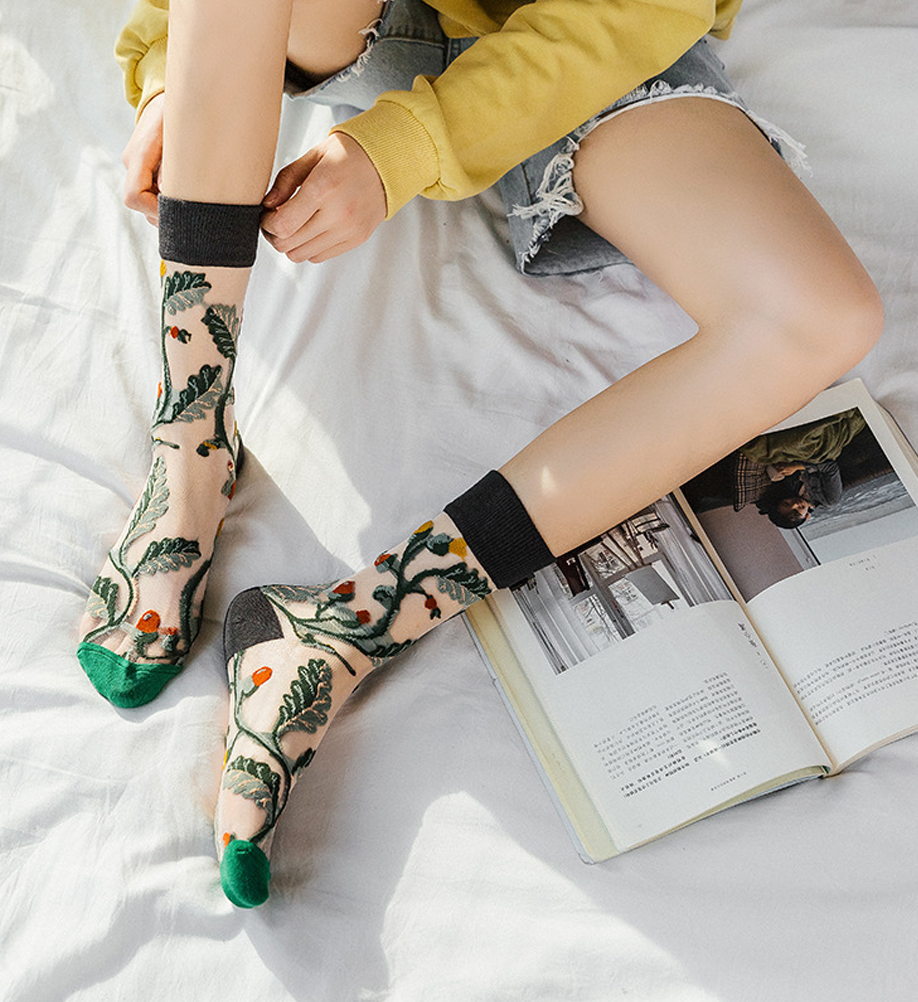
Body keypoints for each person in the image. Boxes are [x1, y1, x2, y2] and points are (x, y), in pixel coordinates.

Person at [78, 0, 883, 906]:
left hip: (608, 35)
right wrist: (178, 70)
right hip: (381, 18)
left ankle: (350, 626)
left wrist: (404, 149)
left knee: (823, 318)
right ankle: (191, 450)